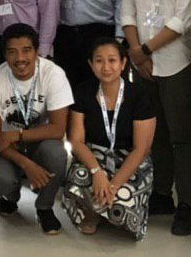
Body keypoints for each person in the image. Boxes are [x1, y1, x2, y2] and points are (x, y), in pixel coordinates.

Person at [119, 0, 191, 234]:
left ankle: (187, 203)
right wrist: (136, 53)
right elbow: (127, 12)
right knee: (155, 134)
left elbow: (184, 19)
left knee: (182, 135)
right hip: (142, 64)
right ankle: (162, 194)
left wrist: (144, 51)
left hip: (176, 61)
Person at [62, 37, 157, 240]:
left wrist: (113, 185)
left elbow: (141, 149)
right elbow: (76, 141)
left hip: (130, 160)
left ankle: (105, 206)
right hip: (95, 157)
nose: (106, 67)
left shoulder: (139, 94)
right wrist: (97, 172)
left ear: (123, 63)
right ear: (91, 64)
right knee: (78, 176)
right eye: (99, 61)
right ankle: (93, 212)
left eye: (112, 60)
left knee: (122, 204)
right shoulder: (83, 92)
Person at [0, 23, 72, 235]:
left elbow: (58, 129)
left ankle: (44, 207)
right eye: (12, 52)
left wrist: (15, 134)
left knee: (56, 153)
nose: (20, 58)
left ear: (37, 52)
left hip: (39, 143)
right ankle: (10, 196)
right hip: (8, 149)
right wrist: (27, 165)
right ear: (5, 55)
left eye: (26, 50)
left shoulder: (53, 74)